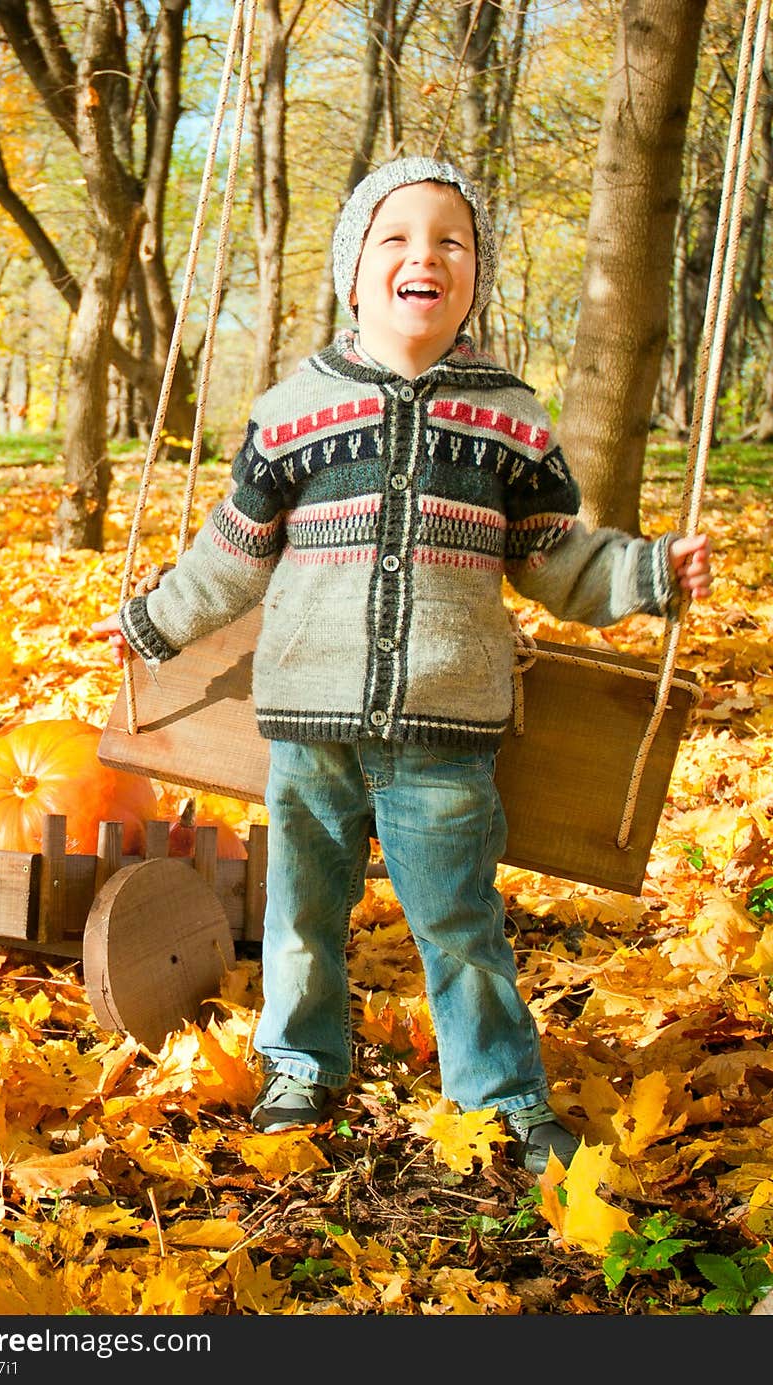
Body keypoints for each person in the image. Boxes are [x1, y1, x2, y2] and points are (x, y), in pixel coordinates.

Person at [92, 156, 711, 1174]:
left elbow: (554, 556)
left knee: (460, 918)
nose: (423, 254)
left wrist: (647, 571)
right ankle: (300, 1059)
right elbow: (231, 555)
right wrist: (150, 622)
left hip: (446, 724)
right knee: (299, 910)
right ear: (352, 270)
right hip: (310, 722)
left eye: (450, 240)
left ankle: (502, 1092)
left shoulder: (507, 415)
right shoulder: (292, 411)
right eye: (395, 237)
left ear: (474, 276)